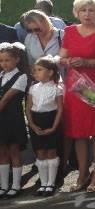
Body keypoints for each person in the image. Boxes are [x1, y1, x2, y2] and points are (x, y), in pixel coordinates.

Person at [59, 0, 95, 192]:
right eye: (83, 10)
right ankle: (82, 174)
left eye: (91, 10)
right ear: (76, 12)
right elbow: (61, 57)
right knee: (79, 132)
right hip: (75, 87)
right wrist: (66, 62)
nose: (87, 14)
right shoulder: (69, 31)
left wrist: (86, 62)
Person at [25, 56, 63, 197]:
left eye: (40, 70)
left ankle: (51, 183)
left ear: (50, 72)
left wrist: (54, 127)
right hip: (36, 121)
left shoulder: (57, 89)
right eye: (35, 70)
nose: (36, 72)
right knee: (40, 153)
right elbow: (28, 108)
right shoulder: (33, 88)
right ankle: (43, 183)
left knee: (51, 152)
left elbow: (59, 109)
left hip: (51, 119)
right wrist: (33, 125)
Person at [0, 43, 29, 198]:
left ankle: (16, 185)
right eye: (1, 61)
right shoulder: (1, 76)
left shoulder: (21, 76)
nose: (4, 64)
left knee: (14, 151)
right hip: (1, 120)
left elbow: (5, 99)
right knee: (2, 152)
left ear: (16, 60)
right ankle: (3, 185)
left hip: (13, 118)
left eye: (7, 60)